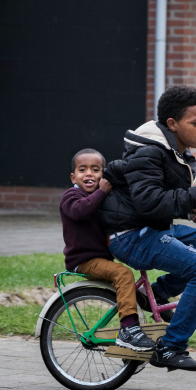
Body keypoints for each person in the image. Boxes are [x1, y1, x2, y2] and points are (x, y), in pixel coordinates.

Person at [99, 86, 196, 371]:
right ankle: (171, 347)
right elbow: (149, 202)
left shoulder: (172, 150)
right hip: (130, 236)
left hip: (150, 229)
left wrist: (191, 208)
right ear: (172, 124)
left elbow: (159, 198)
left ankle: (155, 295)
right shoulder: (149, 152)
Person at [60, 148, 155, 351]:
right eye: (82, 169)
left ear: (103, 174)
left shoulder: (100, 199)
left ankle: (162, 319)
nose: (89, 174)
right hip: (83, 260)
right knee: (123, 274)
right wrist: (103, 190)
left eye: (95, 170)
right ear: (73, 176)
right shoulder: (71, 196)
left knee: (135, 291)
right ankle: (129, 329)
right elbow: (81, 211)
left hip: (101, 259)